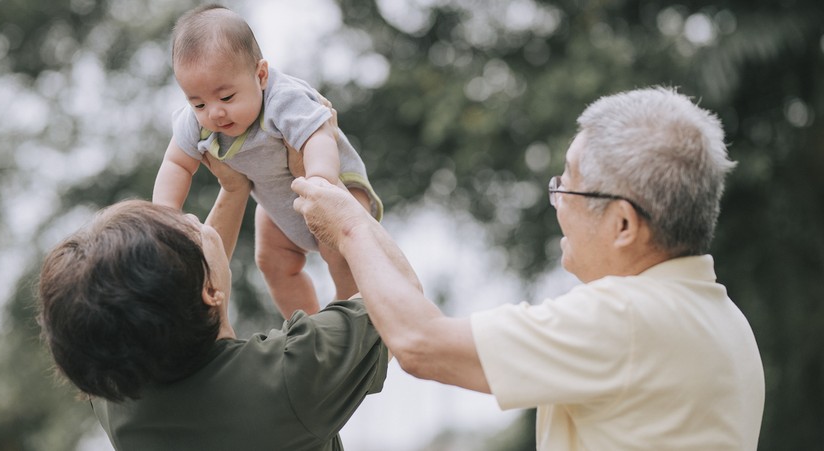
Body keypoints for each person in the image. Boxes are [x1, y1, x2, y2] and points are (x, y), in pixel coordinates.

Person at [292, 87, 765, 450]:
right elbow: (418, 328)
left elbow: (421, 344)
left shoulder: (626, 319)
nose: (557, 202)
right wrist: (356, 221)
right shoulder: (724, 320)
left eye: (568, 186)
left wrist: (348, 227)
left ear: (623, 223)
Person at [37, 157, 388, 450]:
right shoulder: (291, 373)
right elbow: (392, 298)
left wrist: (235, 189)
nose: (192, 219)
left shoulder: (117, 396)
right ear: (208, 290)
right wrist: (342, 217)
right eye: (185, 228)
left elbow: (192, 285)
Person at [152, 4, 383, 319]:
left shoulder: (283, 99)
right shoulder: (195, 121)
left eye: (226, 97)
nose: (214, 112)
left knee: (341, 251)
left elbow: (319, 136)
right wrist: (165, 214)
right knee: (272, 262)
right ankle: (309, 323)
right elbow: (176, 164)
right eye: (198, 103)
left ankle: (350, 310)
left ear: (260, 75)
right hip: (274, 202)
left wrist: (320, 179)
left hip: (334, 185)